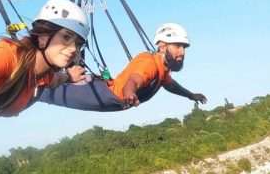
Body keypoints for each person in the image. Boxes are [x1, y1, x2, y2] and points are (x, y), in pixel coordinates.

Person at [38, 22, 207, 112]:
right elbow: (135, 79)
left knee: (45, 89)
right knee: (42, 92)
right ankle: (18, 78)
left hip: (111, 96)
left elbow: (170, 84)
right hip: (106, 96)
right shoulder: (149, 62)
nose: (182, 52)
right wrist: (129, 92)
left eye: (184, 47)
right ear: (162, 46)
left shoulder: (162, 68)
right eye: (177, 46)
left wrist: (190, 95)